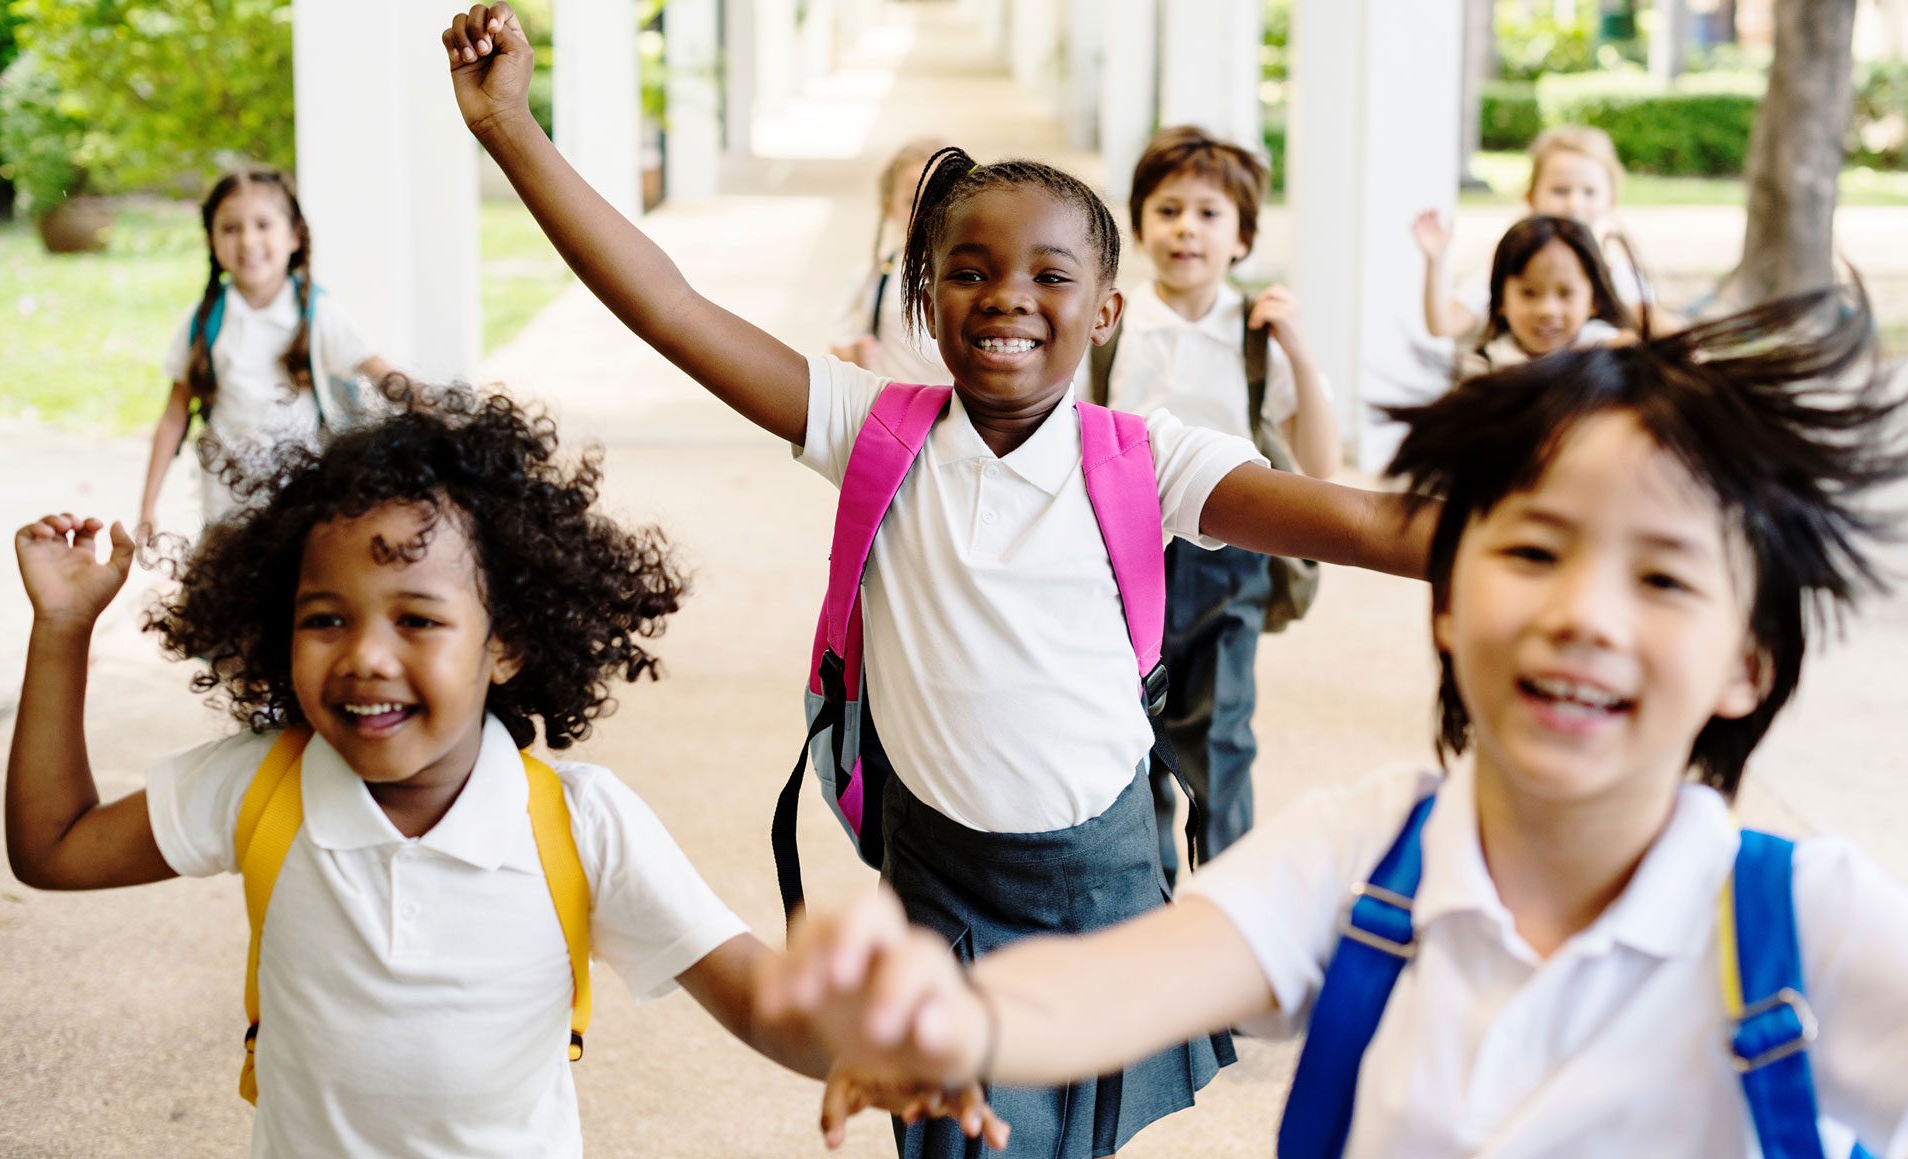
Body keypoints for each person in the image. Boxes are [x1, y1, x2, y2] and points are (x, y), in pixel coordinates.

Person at [442, 7, 1430, 1155]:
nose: (1007, 294)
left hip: (1101, 878)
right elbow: (669, 307)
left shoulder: (1146, 455)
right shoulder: (872, 428)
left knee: (1069, 1136)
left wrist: (1579, 536)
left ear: (1105, 311)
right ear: (926, 299)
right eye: (970, 270)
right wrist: (511, 126)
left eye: (1049, 274)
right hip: (941, 884)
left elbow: (1363, 521)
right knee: (957, 1135)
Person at [763, 284, 1908, 1157]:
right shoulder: (1367, 856)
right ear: (1448, 597)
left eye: (1662, 579)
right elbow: (1112, 983)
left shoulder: (1814, 928)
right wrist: (951, 1017)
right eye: (1534, 551)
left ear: (1748, 662)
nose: (1584, 616)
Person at [7, 381, 1000, 1156]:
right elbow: (51, 847)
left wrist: (866, 1051)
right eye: (325, 618)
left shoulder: (578, 824)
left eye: (419, 619)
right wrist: (60, 629)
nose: (365, 655)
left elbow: (750, 993)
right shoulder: (261, 787)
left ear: (508, 641)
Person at [1101, 125, 1341, 883]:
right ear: (1139, 226)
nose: (1186, 229)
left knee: (1220, 736)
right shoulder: (1107, 324)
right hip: (1123, 556)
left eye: (1209, 214)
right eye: (1168, 210)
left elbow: (1322, 464)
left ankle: (1232, 909)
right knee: (1127, 735)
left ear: (1242, 237)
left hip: (1230, 562)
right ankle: (1147, 902)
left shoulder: (1255, 334)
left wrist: (1298, 349)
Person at [138, 168, 394, 532]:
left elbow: (383, 374)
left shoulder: (319, 315)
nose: (247, 240)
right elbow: (174, 415)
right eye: (230, 228)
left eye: (262, 225)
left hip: (303, 502)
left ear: (294, 236)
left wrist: (442, 412)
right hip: (226, 507)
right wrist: (148, 507)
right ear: (211, 241)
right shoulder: (205, 321)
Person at [1415, 124, 1646, 341]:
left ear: (1611, 200)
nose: (1574, 203)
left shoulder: (1617, 273)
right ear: (1530, 196)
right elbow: (1444, 325)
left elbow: (1651, 321)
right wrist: (1434, 260)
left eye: (1589, 192)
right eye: (1560, 190)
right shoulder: (1512, 265)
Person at [830, 136, 953, 384]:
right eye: (911, 201)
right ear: (889, 207)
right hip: (898, 414)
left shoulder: (978, 273)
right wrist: (855, 353)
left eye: (939, 197)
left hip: (961, 413)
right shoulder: (874, 277)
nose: (927, 210)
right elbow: (838, 346)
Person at [1459, 214, 1633, 378]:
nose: (1547, 310)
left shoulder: (1603, 346)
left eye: (1566, 293)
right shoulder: (1486, 365)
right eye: (1529, 293)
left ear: (1594, 300)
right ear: (1500, 300)